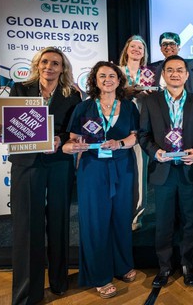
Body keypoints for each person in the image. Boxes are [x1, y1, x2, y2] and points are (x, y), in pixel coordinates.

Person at [0, 46, 81, 304]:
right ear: (38, 65)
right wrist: (2, 128)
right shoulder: (20, 88)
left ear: (62, 68)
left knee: (59, 221)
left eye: (55, 63)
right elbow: (11, 122)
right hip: (26, 163)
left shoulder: (72, 95)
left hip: (58, 162)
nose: (49, 67)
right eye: (45, 62)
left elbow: (74, 129)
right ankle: (28, 293)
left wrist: (60, 139)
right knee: (27, 225)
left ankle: (59, 282)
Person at [63, 61, 139, 299]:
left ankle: (122, 265)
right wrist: (75, 145)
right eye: (102, 76)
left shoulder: (129, 107)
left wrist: (120, 143)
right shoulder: (83, 107)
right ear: (94, 80)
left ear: (119, 80)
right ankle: (100, 275)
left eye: (112, 75)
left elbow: (135, 137)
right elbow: (72, 139)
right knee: (96, 221)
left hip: (123, 167)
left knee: (121, 217)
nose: (108, 79)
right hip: (93, 169)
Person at [139, 55, 193, 288]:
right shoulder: (151, 101)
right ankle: (165, 267)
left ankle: (188, 265)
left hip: (188, 170)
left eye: (180, 70)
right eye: (170, 70)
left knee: (190, 219)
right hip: (163, 169)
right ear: (163, 74)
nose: (175, 74)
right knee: (163, 221)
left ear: (187, 75)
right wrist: (154, 152)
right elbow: (143, 135)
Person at [117, 34, 149, 231]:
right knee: (119, 171)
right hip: (119, 127)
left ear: (144, 53)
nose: (136, 50)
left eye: (140, 48)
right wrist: (124, 93)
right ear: (127, 50)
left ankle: (136, 215)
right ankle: (118, 211)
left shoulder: (149, 74)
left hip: (142, 127)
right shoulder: (116, 71)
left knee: (139, 172)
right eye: (133, 46)